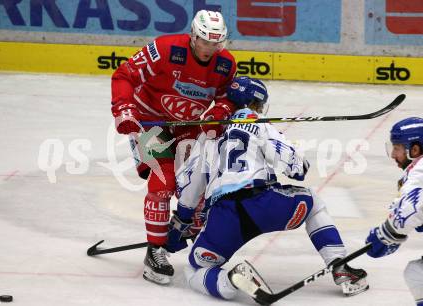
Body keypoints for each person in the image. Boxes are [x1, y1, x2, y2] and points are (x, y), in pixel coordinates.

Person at [168, 76, 369, 303]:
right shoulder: (259, 122)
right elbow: (296, 169)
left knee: (196, 268)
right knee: (313, 202)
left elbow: (191, 185)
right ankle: (339, 266)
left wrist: (181, 224)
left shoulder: (208, 134)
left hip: (223, 216)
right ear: (255, 103)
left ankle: (229, 282)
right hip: (265, 204)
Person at [110, 10, 237, 285]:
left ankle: (190, 230)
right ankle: (155, 250)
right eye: (205, 41)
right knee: (164, 180)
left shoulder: (226, 64)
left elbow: (228, 99)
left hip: (188, 126)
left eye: (216, 43)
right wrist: (123, 107)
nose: (210, 49)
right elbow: (124, 75)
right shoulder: (165, 48)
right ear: (194, 36)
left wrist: (222, 112)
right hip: (149, 123)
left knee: (198, 181)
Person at [366, 117, 423, 306]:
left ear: (414, 150)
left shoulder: (419, 172)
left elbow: (409, 213)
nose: (392, 154)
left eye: (397, 147)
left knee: (418, 274)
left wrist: (384, 235)